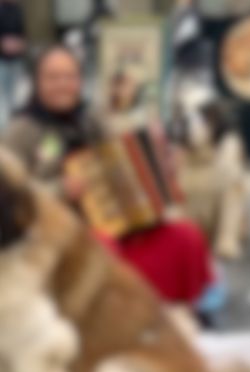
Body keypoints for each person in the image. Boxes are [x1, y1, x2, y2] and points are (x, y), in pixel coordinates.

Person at [1, 45, 217, 310]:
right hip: (57, 240)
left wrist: (163, 168)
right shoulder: (20, 131)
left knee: (185, 237)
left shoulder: (91, 119)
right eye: (53, 77)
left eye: (69, 76)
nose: (62, 84)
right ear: (37, 82)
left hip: (113, 224)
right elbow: (11, 200)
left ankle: (181, 314)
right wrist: (60, 190)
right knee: (105, 247)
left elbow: (122, 163)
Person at [0, 0, 25, 131]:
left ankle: (13, 122)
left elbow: (21, 30)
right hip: (2, 59)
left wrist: (20, 43)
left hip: (16, 58)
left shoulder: (17, 10)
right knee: (4, 92)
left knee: (15, 92)